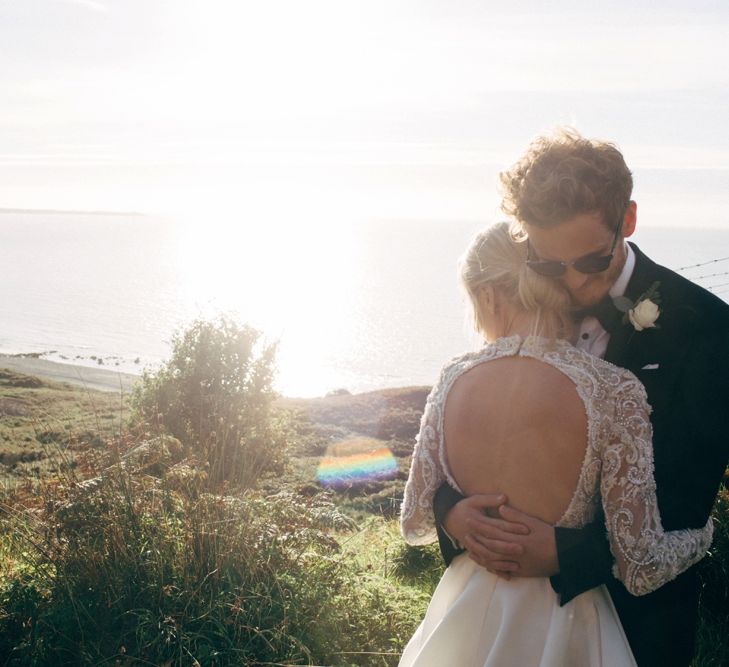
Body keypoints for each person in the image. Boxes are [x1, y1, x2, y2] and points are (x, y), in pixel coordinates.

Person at [432, 130, 729, 666]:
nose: (569, 282)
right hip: (499, 626)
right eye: (549, 264)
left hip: (637, 633)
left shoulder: (711, 331)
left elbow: (684, 502)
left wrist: (566, 554)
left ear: (629, 221)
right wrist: (453, 514)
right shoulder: (524, 308)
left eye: (590, 262)